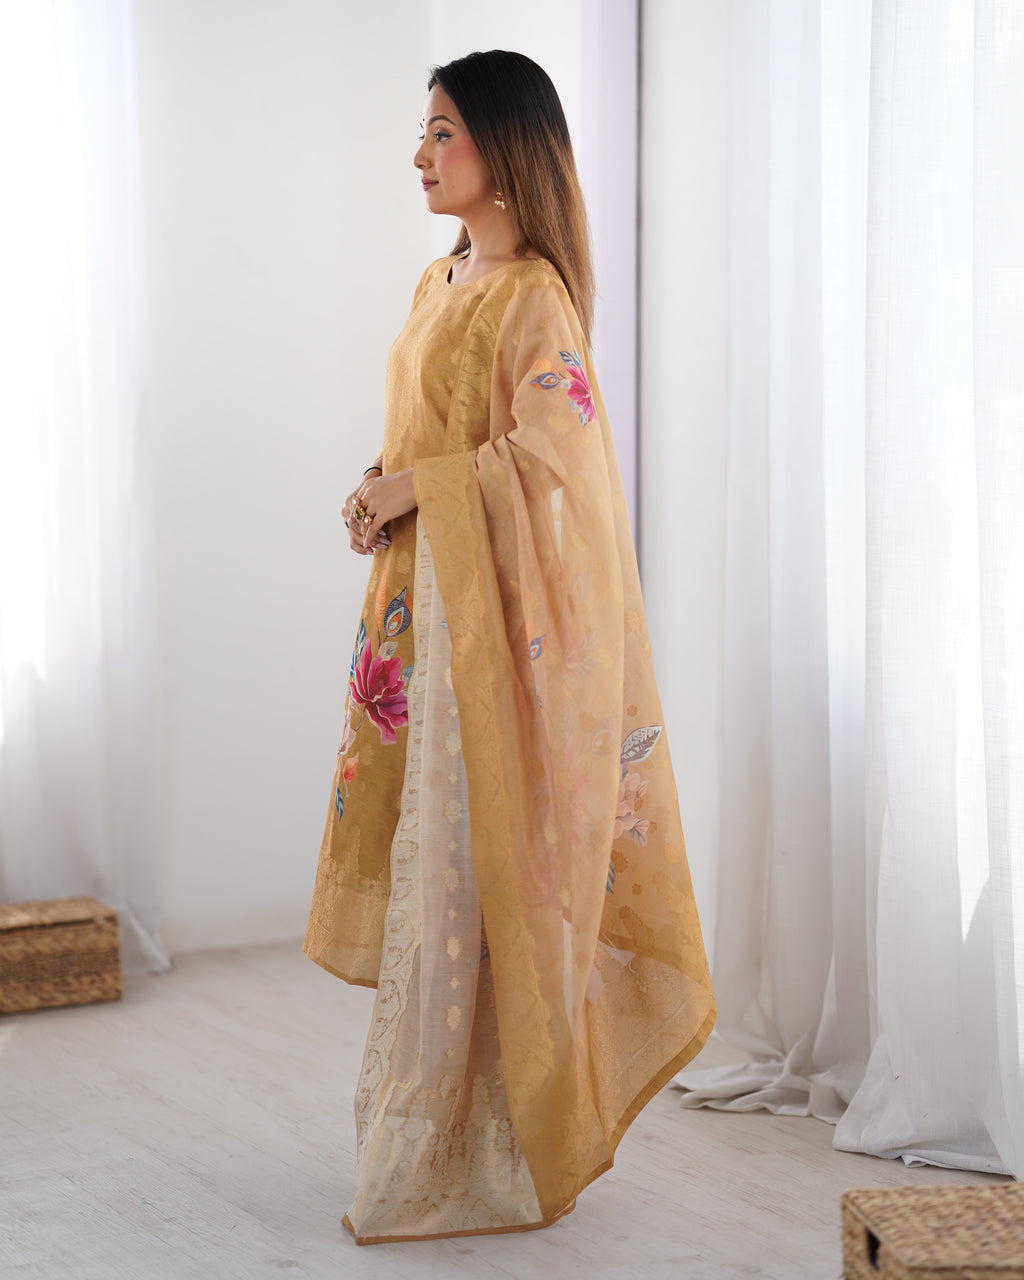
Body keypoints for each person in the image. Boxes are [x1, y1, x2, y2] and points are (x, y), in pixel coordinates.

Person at [304, 49, 715, 1246]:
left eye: (441, 133)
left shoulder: (532, 292)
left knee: (477, 869)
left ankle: (489, 1137)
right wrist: (378, 492)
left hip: (489, 635)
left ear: (502, 148)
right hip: (428, 609)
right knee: (435, 869)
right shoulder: (440, 278)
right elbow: (431, 434)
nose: (421, 154)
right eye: (423, 133)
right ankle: (424, 1130)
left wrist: (411, 488)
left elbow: (557, 462)